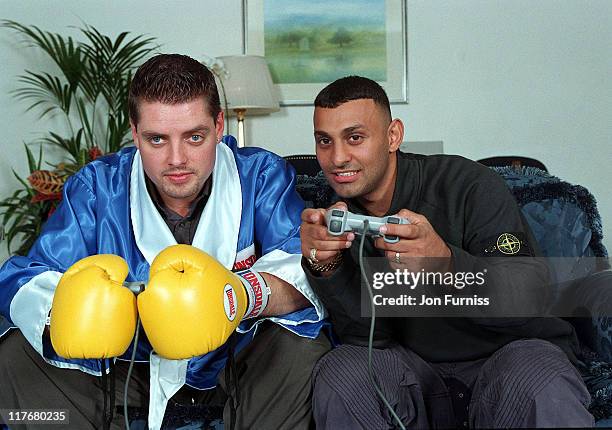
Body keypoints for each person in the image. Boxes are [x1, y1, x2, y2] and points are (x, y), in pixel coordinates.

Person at [0, 54, 329, 430]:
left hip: (235, 366)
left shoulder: (261, 175)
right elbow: (28, 276)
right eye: (157, 139)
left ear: (219, 125)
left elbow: (302, 271)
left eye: (194, 137)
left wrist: (240, 294)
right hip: (127, 368)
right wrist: (64, 311)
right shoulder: (97, 187)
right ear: (135, 133)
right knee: (14, 355)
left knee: (302, 347)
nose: (177, 160)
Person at [300, 76, 593, 428]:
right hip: (414, 372)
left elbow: (527, 295)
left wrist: (446, 264)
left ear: (393, 136)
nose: (337, 158)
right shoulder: (337, 217)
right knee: (342, 373)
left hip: (506, 356)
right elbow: (368, 339)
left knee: (541, 381)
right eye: (324, 141)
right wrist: (327, 267)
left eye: (355, 138)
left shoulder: (469, 185)